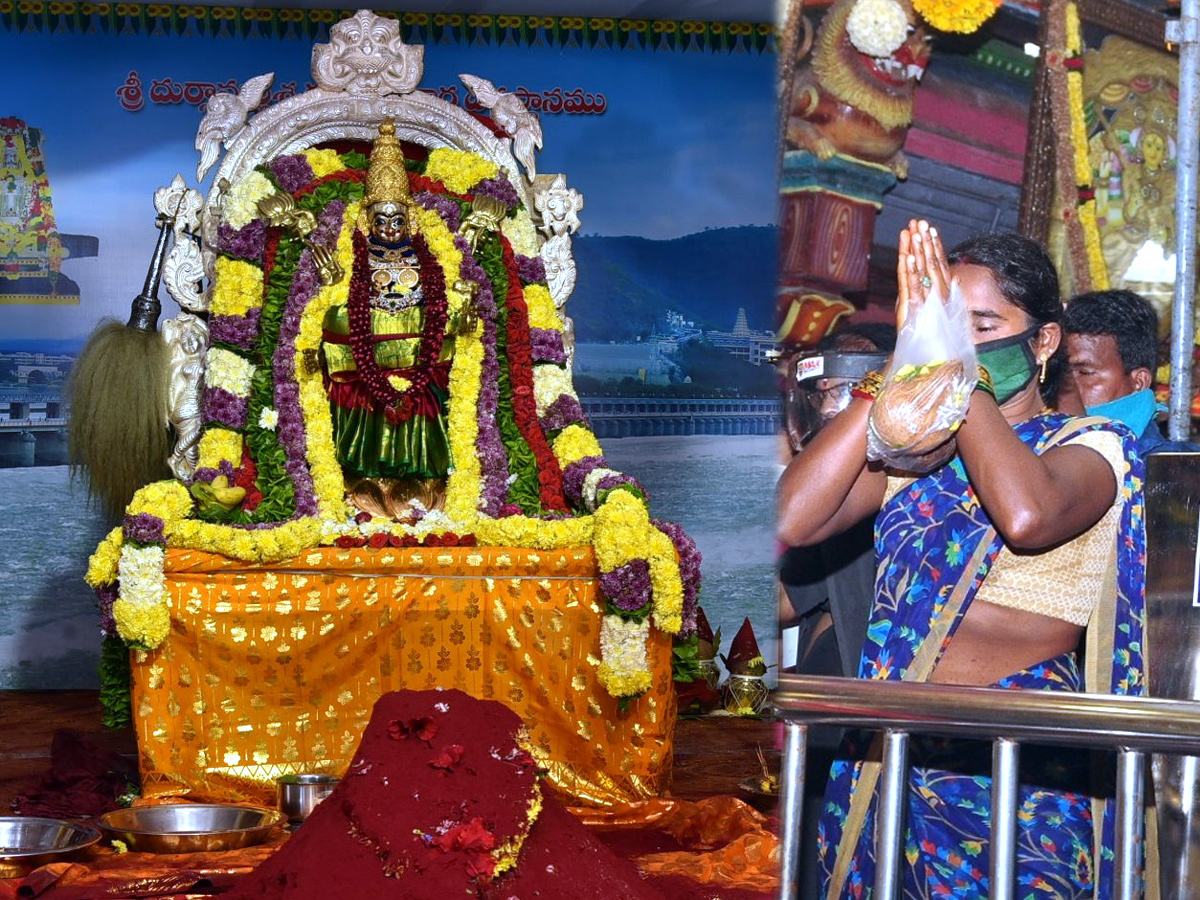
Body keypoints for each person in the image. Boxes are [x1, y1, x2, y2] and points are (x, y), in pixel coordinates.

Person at [777, 220, 1148, 898]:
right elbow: (794, 518)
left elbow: (1026, 514)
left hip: (1016, 765)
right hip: (890, 753)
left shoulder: (1092, 444)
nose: (962, 343)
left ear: (1042, 340)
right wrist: (901, 371)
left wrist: (959, 374)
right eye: (948, 325)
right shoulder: (922, 451)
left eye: (980, 324)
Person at [320, 121, 470, 520]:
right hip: (365, 373)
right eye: (382, 220)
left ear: (411, 221)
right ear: (368, 220)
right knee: (362, 438)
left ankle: (425, 494)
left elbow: (447, 315)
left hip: (420, 368)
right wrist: (332, 284)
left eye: (397, 220)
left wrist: (464, 313)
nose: (389, 228)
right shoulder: (352, 261)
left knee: (425, 434)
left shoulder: (431, 262)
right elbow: (331, 321)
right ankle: (363, 495)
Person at [1061, 288, 1197, 455]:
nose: (1065, 386)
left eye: (1085, 373)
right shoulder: (1040, 445)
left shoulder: (1175, 466)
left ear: (1138, 382)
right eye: (1060, 372)